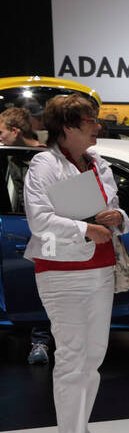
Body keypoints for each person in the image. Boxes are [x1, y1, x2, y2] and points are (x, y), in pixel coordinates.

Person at [23, 95, 129, 433]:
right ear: (68, 127)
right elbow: (39, 220)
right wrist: (86, 228)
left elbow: (115, 211)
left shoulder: (97, 163)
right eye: (90, 122)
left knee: (93, 356)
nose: (97, 127)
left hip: (100, 270)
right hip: (61, 271)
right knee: (71, 355)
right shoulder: (44, 164)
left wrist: (118, 217)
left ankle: (81, 431)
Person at [1, 107, 55, 364]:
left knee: (40, 289)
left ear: (15, 131)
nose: (0, 138)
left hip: (44, 232)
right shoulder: (11, 157)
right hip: (17, 229)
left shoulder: (44, 157)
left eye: (2, 133)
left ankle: (40, 341)